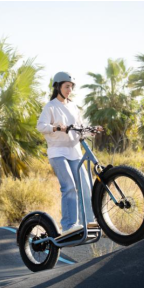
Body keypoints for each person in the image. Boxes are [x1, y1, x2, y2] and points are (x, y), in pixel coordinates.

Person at [37, 71, 102, 236]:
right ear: (58, 86)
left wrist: (91, 130)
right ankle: (69, 226)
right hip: (58, 152)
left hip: (74, 152)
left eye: (71, 87)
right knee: (69, 187)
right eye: (66, 86)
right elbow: (41, 126)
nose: (69, 90)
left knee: (86, 187)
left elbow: (79, 129)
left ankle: (88, 221)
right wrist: (57, 127)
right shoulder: (50, 106)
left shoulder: (73, 106)